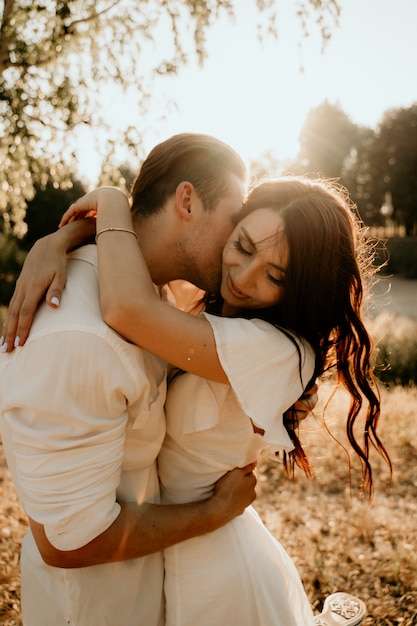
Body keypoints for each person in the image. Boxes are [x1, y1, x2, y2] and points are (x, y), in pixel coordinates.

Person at [32, 176, 389, 625]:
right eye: (241, 246)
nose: (242, 277)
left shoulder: (278, 351)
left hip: (220, 565)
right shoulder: (215, 310)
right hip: (169, 548)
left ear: (303, 287)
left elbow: (126, 306)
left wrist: (110, 200)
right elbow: (147, 254)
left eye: (275, 275)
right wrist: (57, 242)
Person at [0, 133, 264, 626]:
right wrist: (212, 515)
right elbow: (67, 539)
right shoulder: (79, 336)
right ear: (187, 200)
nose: (239, 237)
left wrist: (66, 235)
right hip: (94, 610)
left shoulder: (148, 295)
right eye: (235, 214)